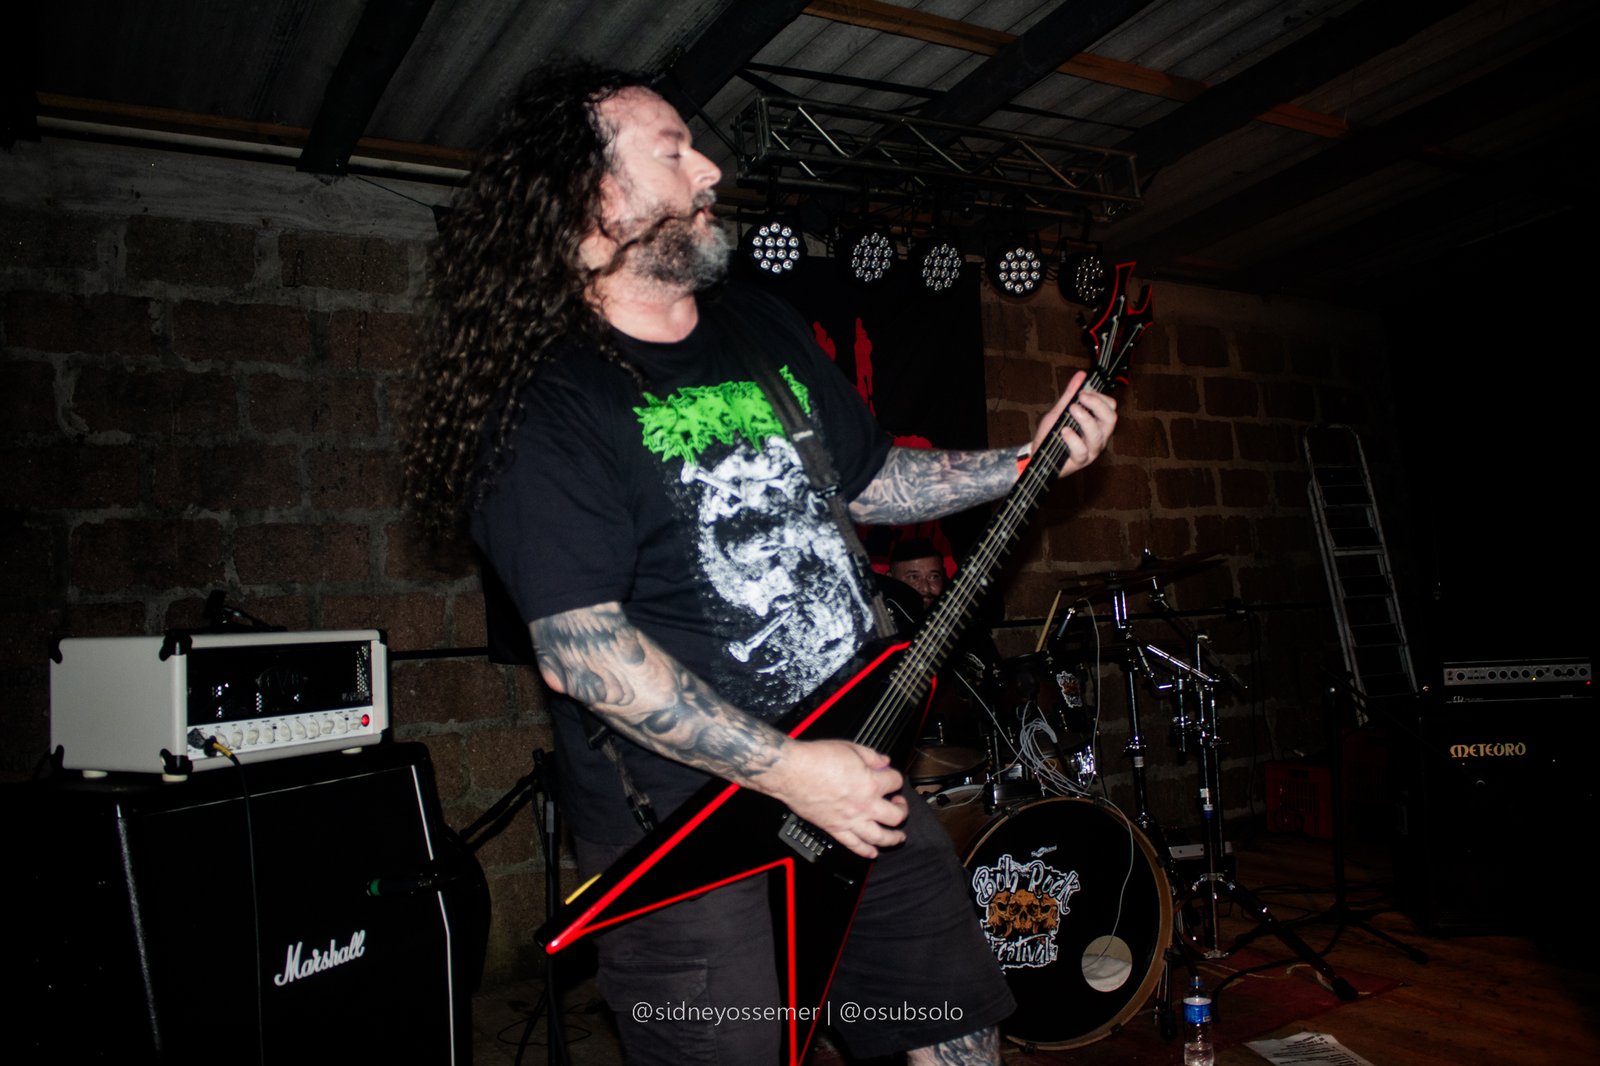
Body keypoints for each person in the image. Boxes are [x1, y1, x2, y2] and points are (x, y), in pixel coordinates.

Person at [404, 61, 1118, 1066]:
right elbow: (581, 652)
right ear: (593, 199)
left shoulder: (757, 324)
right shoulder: (545, 396)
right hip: (690, 826)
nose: (710, 168)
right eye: (674, 151)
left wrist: (1025, 462)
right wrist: (790, 773)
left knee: (952, 1022)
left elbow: (869, 481)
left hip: (854, 763)